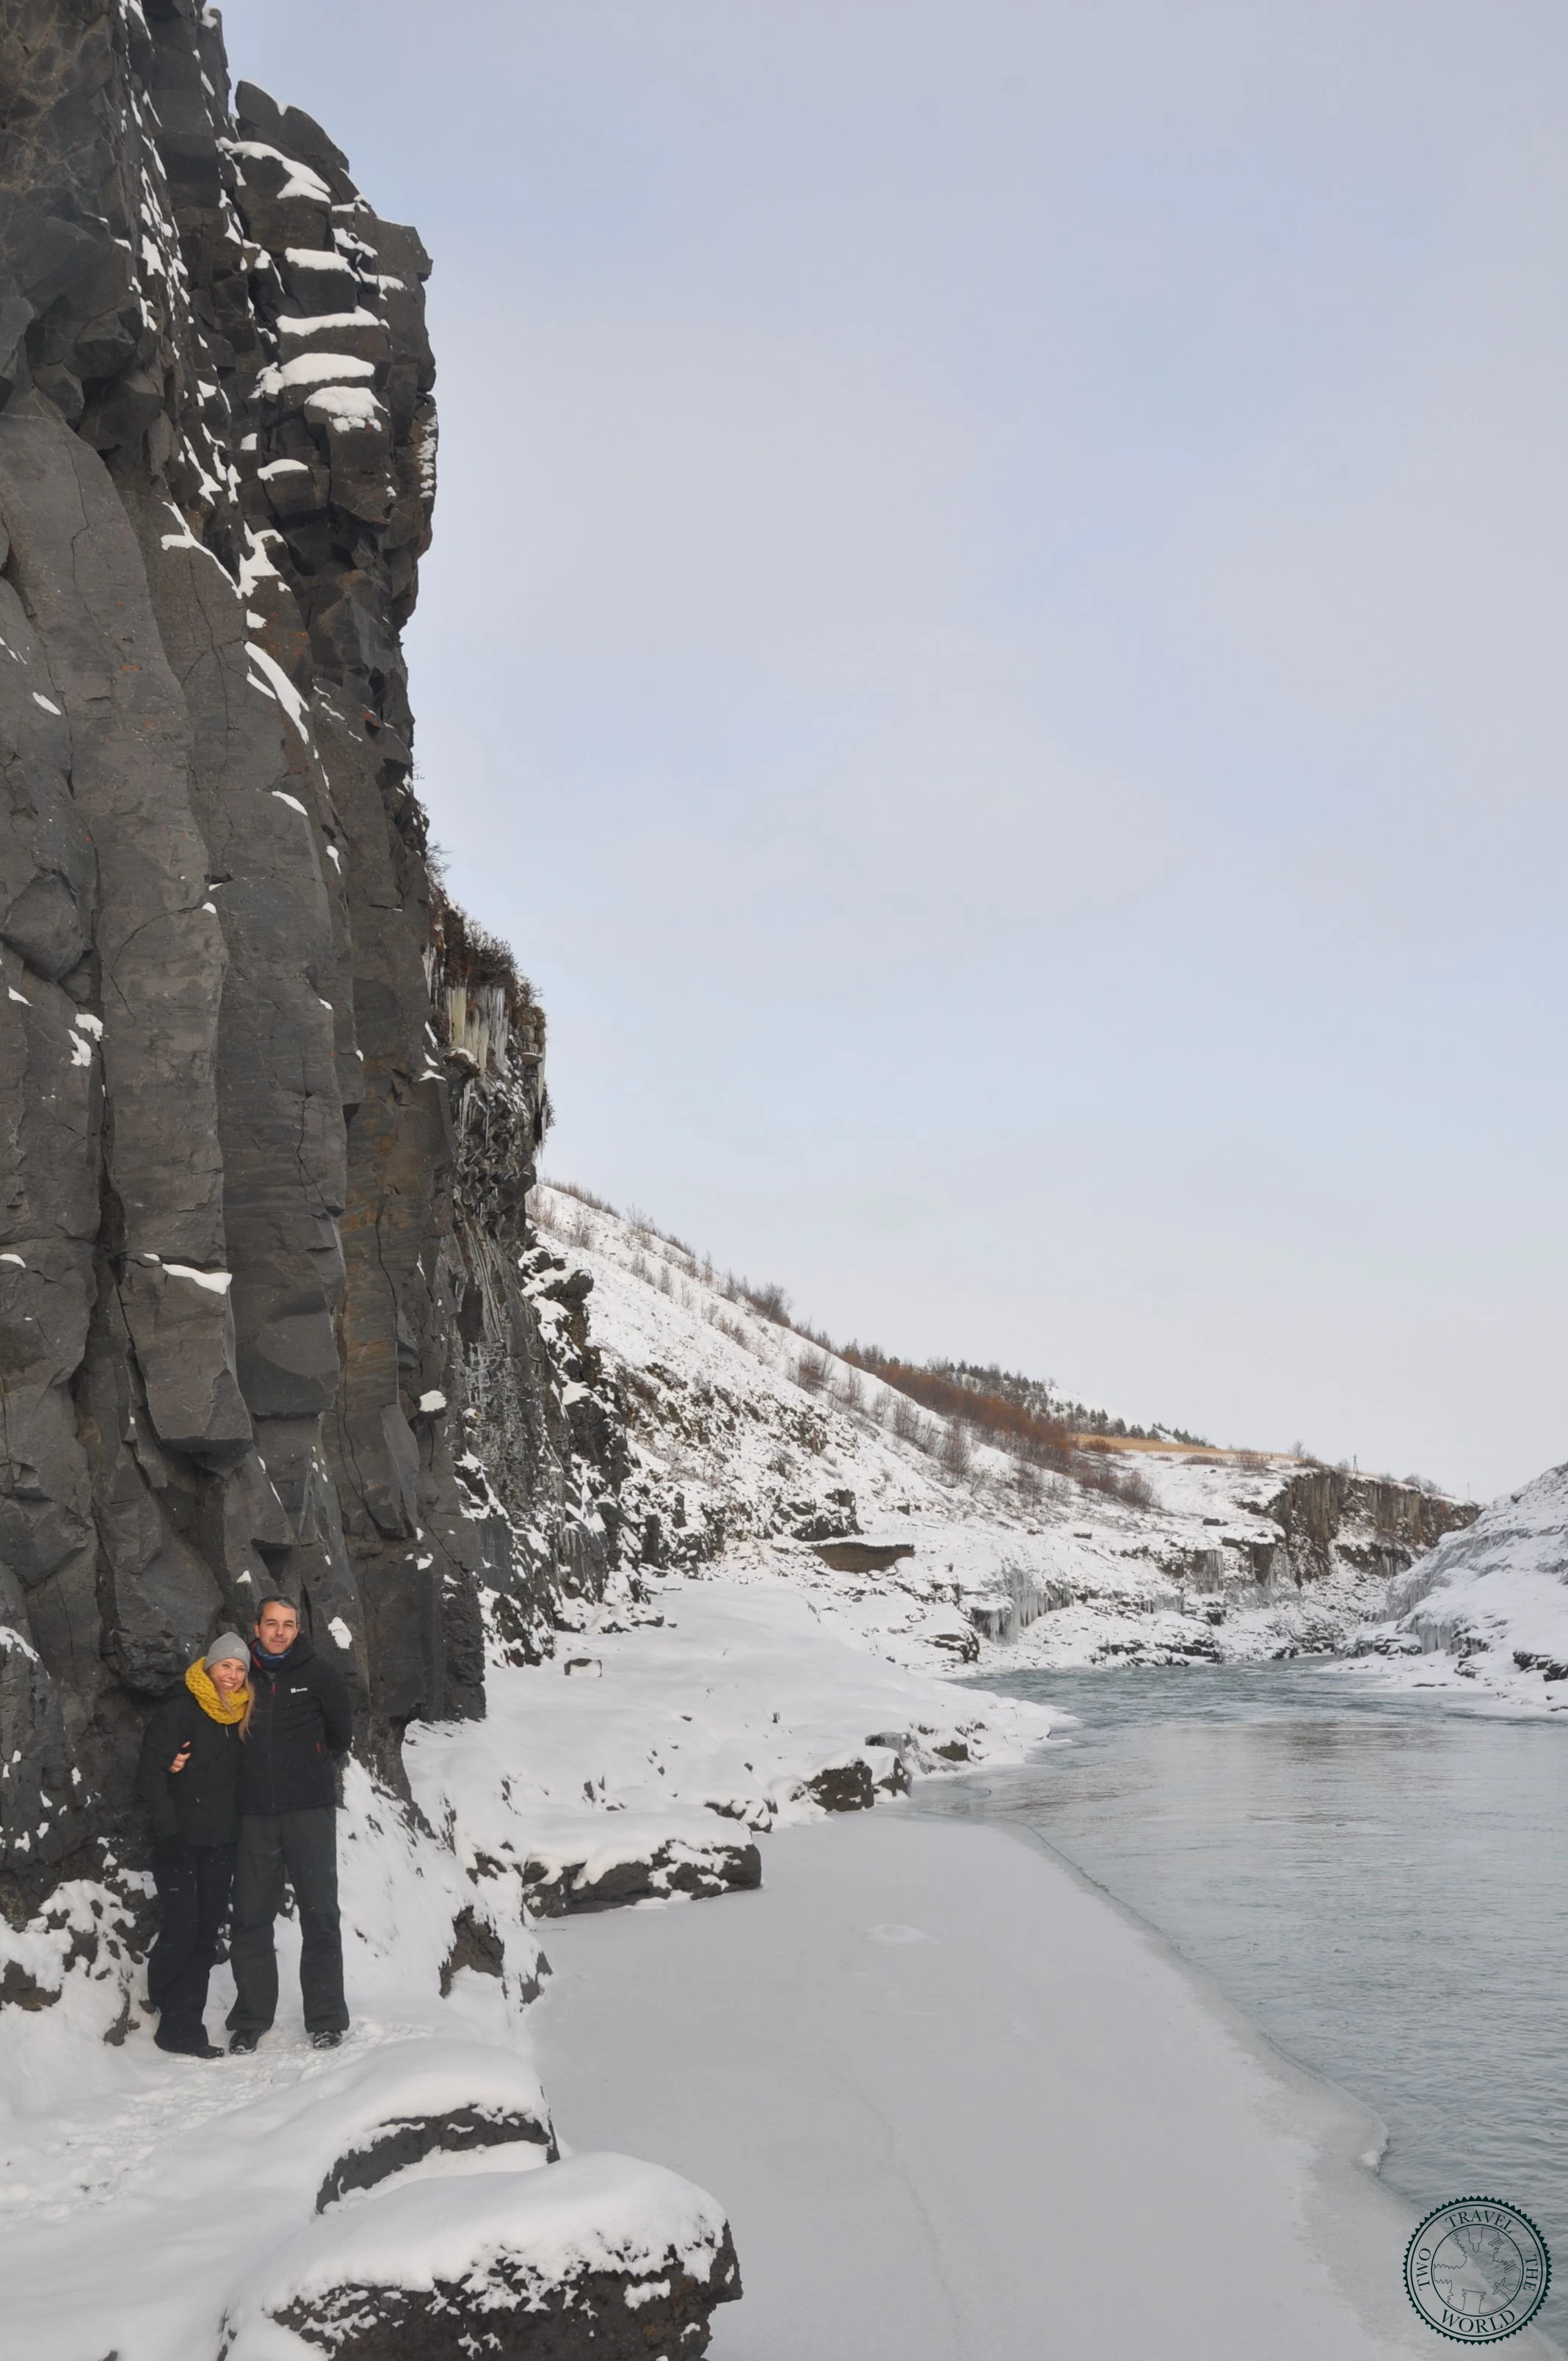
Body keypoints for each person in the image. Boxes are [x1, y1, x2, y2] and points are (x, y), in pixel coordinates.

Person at [225, 1593, 353, 2054]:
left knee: (320, 1915)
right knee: (251, 1918)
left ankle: (325, 2019)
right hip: (254, 1815)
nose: (280, 1632)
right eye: (271, 1623)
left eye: (289, 1624)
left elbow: (341, 1735)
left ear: (299, 1630)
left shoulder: (320, 1675)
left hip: (309, 1814)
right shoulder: (239, 1677)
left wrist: (310, 1769)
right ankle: (251, 2019)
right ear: (256, 1627)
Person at [134, 1635, 251, 2058]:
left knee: (204, 1936)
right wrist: (169, 1830)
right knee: (183, 1931)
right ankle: (164, 1994)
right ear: (209, 1668)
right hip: (180, 1840)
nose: (233, 1676)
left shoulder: (240, 1716)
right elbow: (149, 1776)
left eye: (240, 1669)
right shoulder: (180, 1711)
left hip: (223, 1842)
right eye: (226, 1667)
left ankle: (183, 2027)